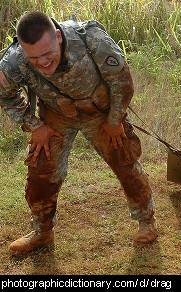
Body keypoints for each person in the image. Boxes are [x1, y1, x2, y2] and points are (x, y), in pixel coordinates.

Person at [0, 11, 157, 255]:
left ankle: (147, 221)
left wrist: (115, 120)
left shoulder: (91, 39)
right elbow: (5, 95)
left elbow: (122, 81)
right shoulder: (14, 60)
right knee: (41, 169)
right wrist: (35, 125)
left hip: (101, 113)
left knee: (124, 160)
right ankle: (42, 232)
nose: (42, 62)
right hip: (56, 115)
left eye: (47, 53)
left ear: (59, 37)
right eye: (34, 57)